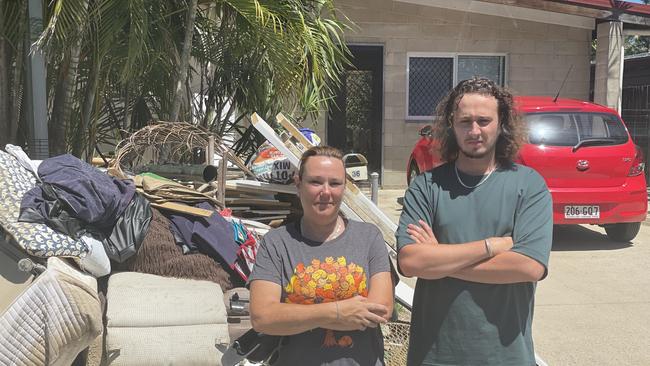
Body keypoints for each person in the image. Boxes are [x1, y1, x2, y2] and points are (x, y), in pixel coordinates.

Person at [396, 77, 553, 366]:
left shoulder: (529, 185)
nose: (474, 130)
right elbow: (410, 263)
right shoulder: (427, 186)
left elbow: (529, 266)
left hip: (506, 356)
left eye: (484, 120)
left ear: (502, 123)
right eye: (465, 121)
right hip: (434, 355)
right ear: (451, 124)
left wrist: (440, 260)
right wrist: (492, 246)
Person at [249, 145, 394, 366]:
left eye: (335, 183)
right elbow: (263, 317)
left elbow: (380, 310)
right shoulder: (277, 243)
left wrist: (295, 315)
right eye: (316, 182)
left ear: (344, 188)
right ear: (298, 184)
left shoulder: (369, 238)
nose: (326, 192)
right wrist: (337, 312)